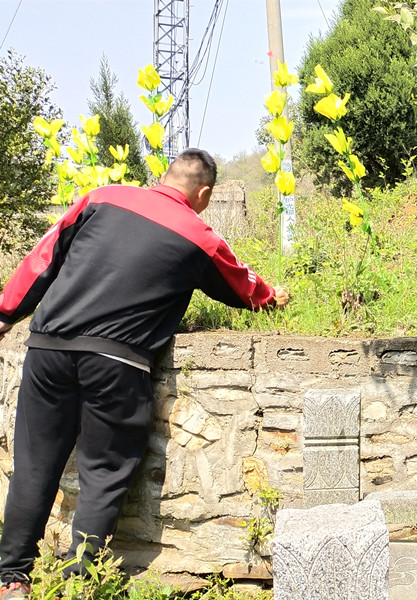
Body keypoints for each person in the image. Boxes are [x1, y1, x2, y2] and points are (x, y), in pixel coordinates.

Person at [0, 148, 288, 599]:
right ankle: (79, 585)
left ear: (163, 177)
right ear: (204, 192)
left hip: (49, 349)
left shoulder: (101, 197)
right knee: (103, 472)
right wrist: (275, 297)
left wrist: (6, 313)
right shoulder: (199, 236)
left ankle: (12, 579)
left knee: (34, 466)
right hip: (116, 362)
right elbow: (244, 288)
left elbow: (44, 256)